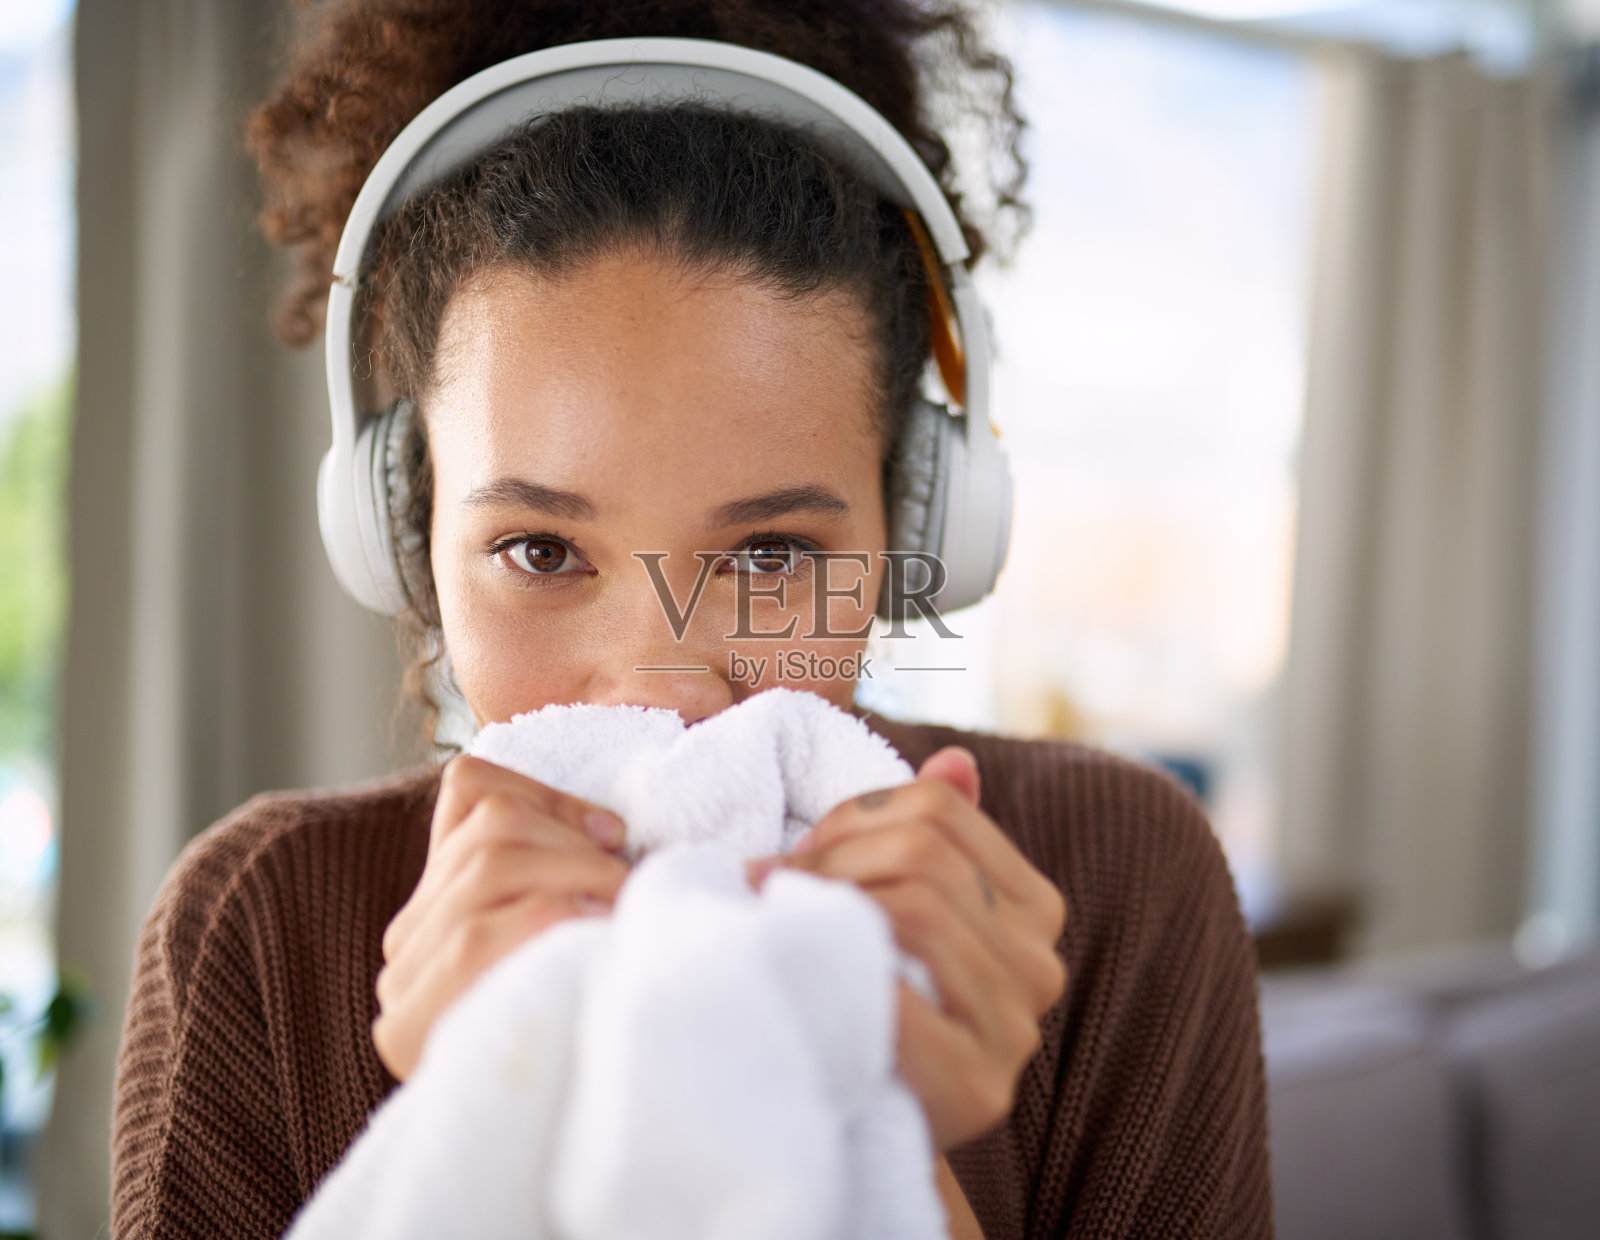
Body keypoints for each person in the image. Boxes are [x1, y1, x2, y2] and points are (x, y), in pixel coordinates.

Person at [109, 2, 1273, 1237]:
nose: (664, 690)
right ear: (402, 533)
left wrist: (896, 1138)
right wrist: (465, 1112)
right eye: (541, 550)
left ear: (919, 527)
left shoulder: (1117, 886)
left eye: (770, 554)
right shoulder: (257, 924)